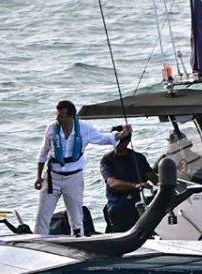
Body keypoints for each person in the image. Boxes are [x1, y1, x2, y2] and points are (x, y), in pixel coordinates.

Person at [34, 100, 131, 236]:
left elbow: (103, 138)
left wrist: (121, 135)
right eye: (57, 115)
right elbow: (43, 152)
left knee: (76, 216)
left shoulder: (84, 128)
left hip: (73, 178)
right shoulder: (52, 128)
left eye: (62, 116)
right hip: (52, 176)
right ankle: (39, 240)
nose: (58, 119)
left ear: (71, 116)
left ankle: (78, 238)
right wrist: (38, 177)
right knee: (42, 215)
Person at [100, 127, 157, 232]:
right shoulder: (107, 160)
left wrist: (161, 166)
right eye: (115, 140)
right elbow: (112, 182)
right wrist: (135, 185)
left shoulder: (138, 158)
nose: (118, 143)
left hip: (138, 203)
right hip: (117, 204)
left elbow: (154, 180)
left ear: (128, 141)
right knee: (118, 211)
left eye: (121, 141)